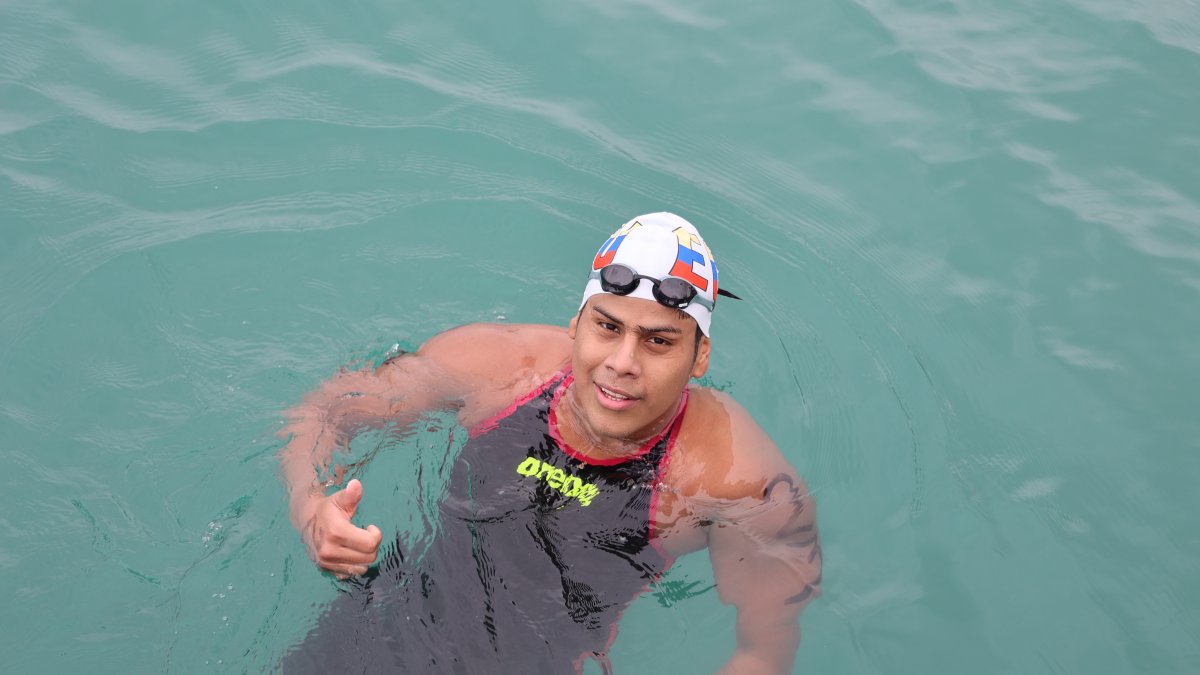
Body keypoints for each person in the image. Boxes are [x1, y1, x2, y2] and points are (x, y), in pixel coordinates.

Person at [277, 213, 822, 674]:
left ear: (700, 356)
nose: (622, 363)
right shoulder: (498, 372)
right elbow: (328, 411)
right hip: (370, 634)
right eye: (608, 327)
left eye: (658, 341)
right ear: (577, 323)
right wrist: (311, 509)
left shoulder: (733, 477)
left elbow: (762, 653)